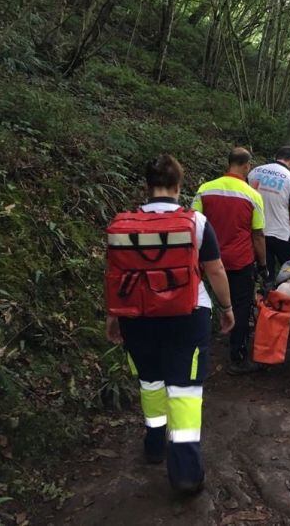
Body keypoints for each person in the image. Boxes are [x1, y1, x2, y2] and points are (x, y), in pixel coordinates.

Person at [105, 154, 234, 495]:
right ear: (179, 186)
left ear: (147, 187)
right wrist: (227, 307)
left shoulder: (123, 226)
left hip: (137, 317)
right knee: (184, 391)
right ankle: (186, 474)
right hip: (186, 316)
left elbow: (119, 275)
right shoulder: (197, 222)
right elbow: (216, 270)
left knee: (149, 381)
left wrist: (114, 315)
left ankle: (153, 445)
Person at [192, 147, 268, 375]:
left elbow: (192, 224)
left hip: (208, 260)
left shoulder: (205, 189)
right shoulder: (253, 196)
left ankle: (200, 353)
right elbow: (258, 235)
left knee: (203, 303)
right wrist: (263, 265)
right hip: (240, 261)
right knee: (241, 306)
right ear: (246, 166)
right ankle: (237, 355)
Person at [248, 146, 290, 275]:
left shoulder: (254, 172)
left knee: (265, 274)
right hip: (281, 234)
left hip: (257, 232)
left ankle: (265, 292)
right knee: (289, 276)